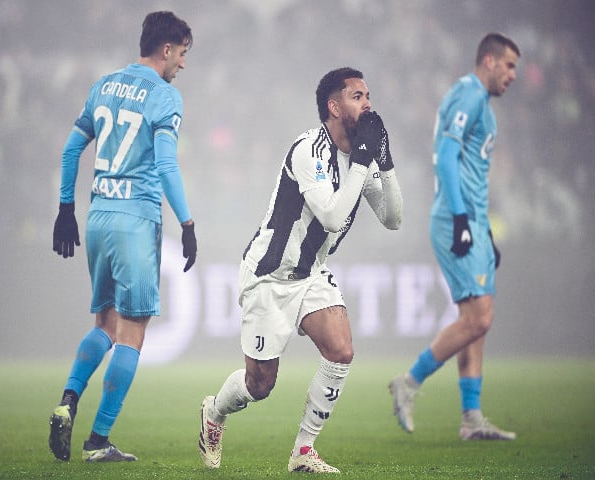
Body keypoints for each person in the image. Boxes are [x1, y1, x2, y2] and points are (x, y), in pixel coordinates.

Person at [198, 67, 403, 473]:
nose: (368, 103)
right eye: (357, 96)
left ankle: (303, 451)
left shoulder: (360, 155)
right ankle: (213, 414)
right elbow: (330, 217)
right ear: (334, 106)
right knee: (261, 385)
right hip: (270, 274)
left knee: (341, 350)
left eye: (368, 95)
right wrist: (364, 160)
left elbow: (393, 218)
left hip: (311, 273)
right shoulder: (308, 150)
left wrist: (385, 158)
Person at [48, 11, 197, 462]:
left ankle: (68, 400)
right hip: (136, 221)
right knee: (132, 333)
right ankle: (98, 440)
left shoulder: (104, 86)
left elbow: (72, 148)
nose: (183, 65)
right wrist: (188, 224)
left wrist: (65, 209)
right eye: (183, 54)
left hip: (97, 218)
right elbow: (168, 166)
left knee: (105, 326)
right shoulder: (165, 96)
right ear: (167, 49)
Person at [389, 32, 520, 440]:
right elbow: (446, 156)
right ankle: (408, 382)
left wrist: (482, 228)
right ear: (489, 60)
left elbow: (468, 168)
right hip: (454, 218)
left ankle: (471, 418)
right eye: (510, 65)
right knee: (480, 317)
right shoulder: (469, 95)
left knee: (475, 323)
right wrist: (463, 220)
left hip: (473, 220)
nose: (513, 75)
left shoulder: (478, 101)